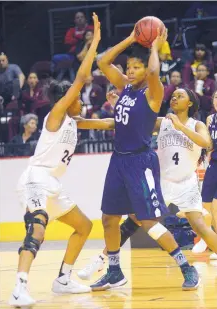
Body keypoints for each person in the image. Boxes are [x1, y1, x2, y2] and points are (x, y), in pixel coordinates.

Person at [9, 13, 114, 308]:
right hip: (36, 178)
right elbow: (81, 76)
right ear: (66, 99)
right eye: (75, 97)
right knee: (38, 226)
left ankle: (64, 278)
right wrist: (94, 40)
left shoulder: (74, 121)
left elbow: (106, 123)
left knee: (83, 226)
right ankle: (19, 287)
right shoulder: (56, 114)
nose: (80, 98)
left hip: (53, 183)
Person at [88, 26, 201, 292]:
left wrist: (153, 46)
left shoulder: (153, 93)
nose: (130, 71)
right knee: (108, 218)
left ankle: (187, 266)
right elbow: (102, 61)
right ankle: (114, 271)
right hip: (118, 160)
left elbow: (153, 72)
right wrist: (130, 39)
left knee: (149, 222)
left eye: (136, 67)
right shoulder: (125, 88)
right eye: (129, 67)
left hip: (141, 162)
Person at [77, 89, 217, 280]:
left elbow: (206, 143)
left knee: (201, 227)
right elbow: (117, 124)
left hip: (187, 183)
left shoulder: (197, 124)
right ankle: (102, 259)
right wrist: (84, 121)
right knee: (133, 220)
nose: (174, 98)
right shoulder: (161, 122)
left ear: (190, 103)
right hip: (162, 182)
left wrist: (180, 126)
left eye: (180, 96)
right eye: (173, 95)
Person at [202, 90, 217, 260]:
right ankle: (212, 242)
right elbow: (208, 144)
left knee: (215, 206)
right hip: (213, 164)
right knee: (205, 205)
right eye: (216, 97)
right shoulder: (210, 119)